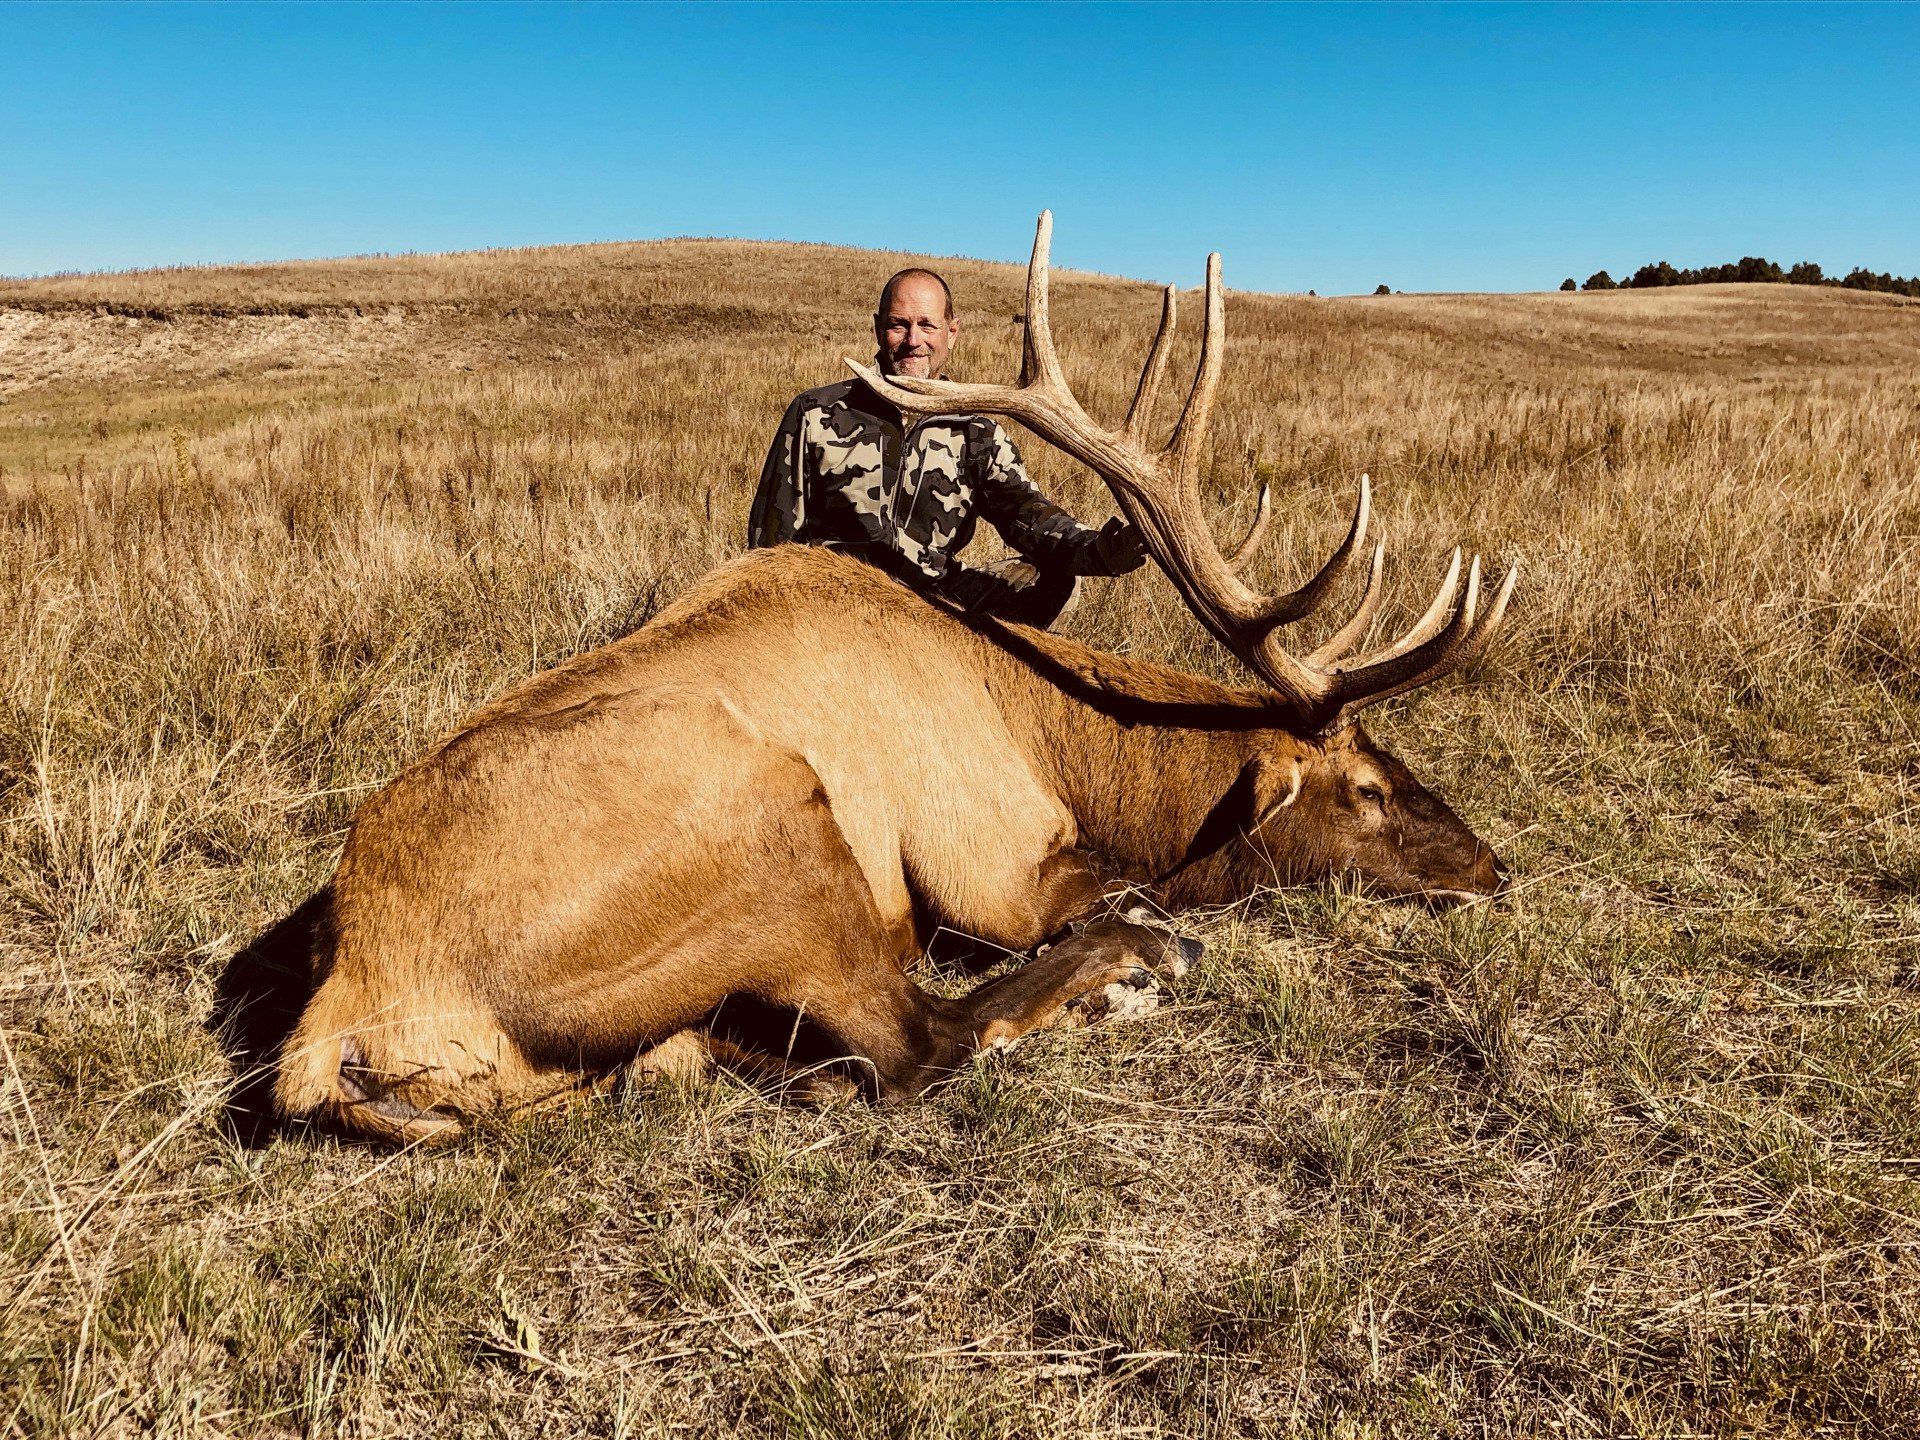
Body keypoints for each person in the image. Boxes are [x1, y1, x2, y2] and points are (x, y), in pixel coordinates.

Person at [747, 266, 1146, 627]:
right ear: (876, 328)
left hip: (931, 606)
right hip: (834, 604)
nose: (913, 340)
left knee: (1055, 582)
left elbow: (1029, 516)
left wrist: (1101, 550)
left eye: (928, 326)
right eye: (898, 325)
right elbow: (771, 540)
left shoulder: (976, 431)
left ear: (951, 332)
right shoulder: (818, 412)